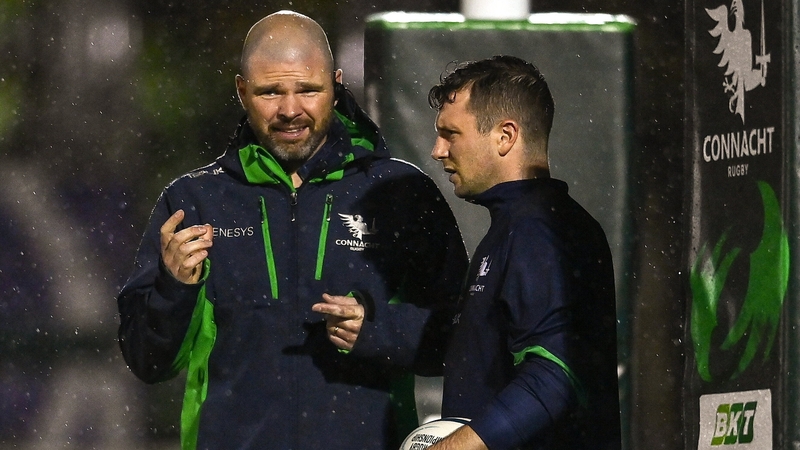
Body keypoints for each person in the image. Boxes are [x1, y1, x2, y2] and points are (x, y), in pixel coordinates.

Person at [117, 11, 468, 450]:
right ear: (242, 90)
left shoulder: (401, 193)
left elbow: (464, 341)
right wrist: (173, 288)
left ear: (337, 86)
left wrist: (380, 330)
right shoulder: (193, 200)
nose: (289, 110)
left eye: (308, 90)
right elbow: (147, 361)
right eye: (269, 92)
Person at [425, 55, 621, 450]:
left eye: (451, 134)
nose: (437, 150)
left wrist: (450, 448)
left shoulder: (539, 228)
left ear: (505, 136)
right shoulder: (518, 224)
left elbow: (554, 375)